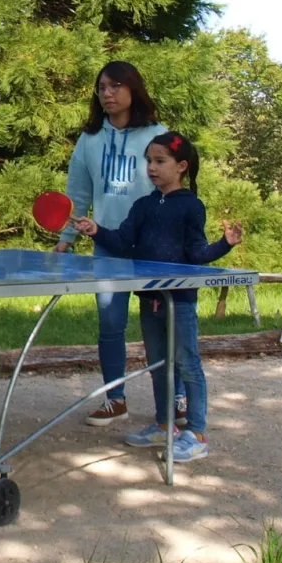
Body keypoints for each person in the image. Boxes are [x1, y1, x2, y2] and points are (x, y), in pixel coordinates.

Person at [72, 131, 243, 463]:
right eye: (149, 160)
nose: (151, 167)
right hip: (149, 299)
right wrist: (97, 230)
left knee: (188, 364)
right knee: (157, 365)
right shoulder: (143, 205)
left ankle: (196, 433)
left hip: (179, 301)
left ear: (181, 166)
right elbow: (124, 242)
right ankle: (165, 426)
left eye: (159, 161)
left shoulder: (191, 206)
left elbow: (197, 254)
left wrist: (225, 244)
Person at [53, 61, 175, 427]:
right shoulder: (89, 140)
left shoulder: (158, 134)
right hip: (108, 246)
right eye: (101, 87)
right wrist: (66, 238)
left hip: (155, 249)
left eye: (115, 86)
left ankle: (176, 400)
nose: (107, 93)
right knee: (110, 326)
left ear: (132, 89)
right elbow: (77, 193)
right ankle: (115, 398)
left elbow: (174, 188)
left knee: (163, 327)